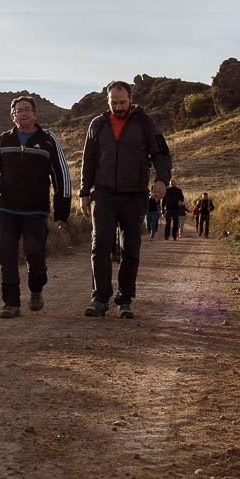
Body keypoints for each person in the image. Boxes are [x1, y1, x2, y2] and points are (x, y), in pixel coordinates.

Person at [78, 80, 172, 319]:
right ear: (107, 101)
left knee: (130, 248)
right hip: (104, 194)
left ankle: (125, 300)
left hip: (134, 195)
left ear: (131, 99)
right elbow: (88, 160)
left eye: (122, 102)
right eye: (114, 103)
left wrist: (162, 180)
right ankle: (100, 299)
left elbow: (161, 154)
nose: (118, 107)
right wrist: (84, 192)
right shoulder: (97, 124)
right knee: (100, 244)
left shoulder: (145, 123)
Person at [0, 96, 71, 317]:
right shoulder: (4, 140)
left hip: (36, 210)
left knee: (34, 253)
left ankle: (36, 288)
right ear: (12, 116)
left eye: (27, 110)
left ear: (35, 113)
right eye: (18, 111)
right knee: (7, 256)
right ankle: (11, 303)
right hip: (6, 208)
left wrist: (61, 213)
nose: (23, 114)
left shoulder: (48, 140)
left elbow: (61, 177)